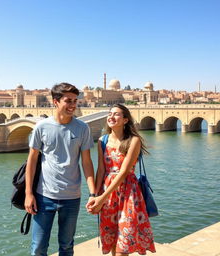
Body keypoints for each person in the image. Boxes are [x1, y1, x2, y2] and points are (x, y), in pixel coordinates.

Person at [25, 82, 95, 256]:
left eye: (75, 101)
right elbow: (32, 160)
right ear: (55, 101)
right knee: (38, 247)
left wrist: (93, 193)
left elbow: (86, 162)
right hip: (44, 196)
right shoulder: (42, 127)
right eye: (68, 101)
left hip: (71, 198)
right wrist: (28, 194)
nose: (73, 105)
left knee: (66, 246)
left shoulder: (83, 128)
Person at [87, 103, 156, 256]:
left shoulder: (134, 140)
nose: (111, 116)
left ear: (125, 120)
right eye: (110, 113)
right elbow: (101, 170)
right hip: (107, 192)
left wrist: (102, 198)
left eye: (116, 114)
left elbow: (124, 171)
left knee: (123, 245)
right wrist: (95, 196)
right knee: (111, 239)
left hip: (128, 193)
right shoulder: (102, 140)